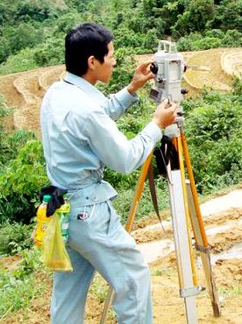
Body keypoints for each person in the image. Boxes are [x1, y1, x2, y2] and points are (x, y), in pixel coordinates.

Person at [40, 22, 177, 323]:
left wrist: (132, 88)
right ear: (93, 62)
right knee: (133, 279)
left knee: (68, 294)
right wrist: (156, 125)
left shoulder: (57, 93)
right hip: (89, 215)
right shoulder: (85, 110)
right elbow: (126, 159)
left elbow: (96, 114)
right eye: (111, 54)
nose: (115, 60)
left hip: (62, 211)